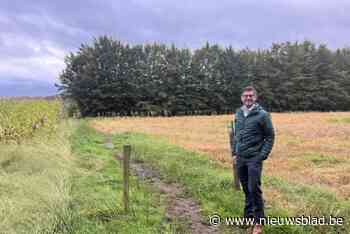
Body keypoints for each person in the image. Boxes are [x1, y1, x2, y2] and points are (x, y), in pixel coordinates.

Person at [231, 86, 275, 234]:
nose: (248, 98)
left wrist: (261, 156)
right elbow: (236, 135)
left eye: (251, 96)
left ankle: (258, 222)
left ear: (255, 98)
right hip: (241, 158)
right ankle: (248, 217)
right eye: (245, 96)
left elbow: (270, 136)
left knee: (254, 188)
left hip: (254, 159)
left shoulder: (262, 115)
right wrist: (234, 153)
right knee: (246, 189)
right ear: (241, 98)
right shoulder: (238, 113)